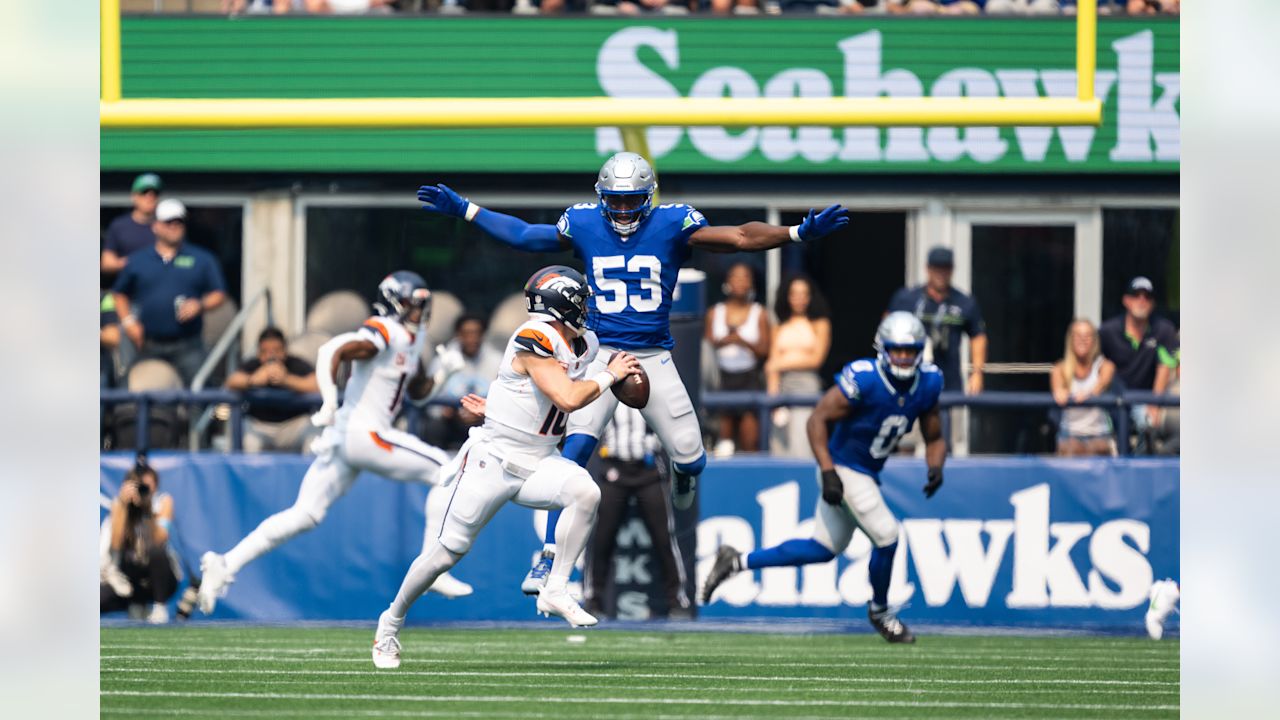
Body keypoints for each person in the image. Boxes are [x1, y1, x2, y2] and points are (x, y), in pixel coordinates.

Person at [416, 151, 849, 594]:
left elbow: (739, 236)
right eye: (616, 201)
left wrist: (796, 232)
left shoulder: (673, 222)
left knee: (691, 458)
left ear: (649, 197)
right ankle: (548, 560)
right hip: (599, 352)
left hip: (654, 356)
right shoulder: (585, 223)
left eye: (632, 200)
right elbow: (527, 235)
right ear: (601, 197)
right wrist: (466, 210)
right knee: (572, 453)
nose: (623, 210)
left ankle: (681, 470)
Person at [372, 266, 642, 669]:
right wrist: (611, 375)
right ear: (560, 305)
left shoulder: (584, 343)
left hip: (539, 461)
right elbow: (567, 397)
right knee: (445, 554)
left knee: (586, 492)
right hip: (492, 461)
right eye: (580, 300)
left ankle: (556, 588)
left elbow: (535, 392)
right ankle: (389, 625)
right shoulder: (535, 337)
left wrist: (498, 406)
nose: (587, 307)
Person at [197, 271, 473, 615]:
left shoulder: (409, 338)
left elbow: (417, 393)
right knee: (448, 472)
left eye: (422, 305)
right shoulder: (385, 330)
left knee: (305, 514)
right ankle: (432, 568)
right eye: (413, 305)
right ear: (394, 304)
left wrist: (443, 373)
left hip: (348, 440)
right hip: (365, 434)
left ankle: (226, 562)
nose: (420, 312)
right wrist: (329, 400)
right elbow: (332, 350)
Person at [701, 312, 946, 644]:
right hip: (843, 468)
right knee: (887, 535)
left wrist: (935, 466)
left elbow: (934, 434)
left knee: (822, 549)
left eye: (909, 350)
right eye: (897, 349)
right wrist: (829, 472)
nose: (903, 357)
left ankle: (736, 561)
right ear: (882, 349)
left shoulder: (929, 382)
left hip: (866, 473)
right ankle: (881, 612)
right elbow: (816, 420)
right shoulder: (865, 379)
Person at [586, 404, 692, 620]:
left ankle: (677, 600)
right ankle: (593, 600)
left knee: (664, 538)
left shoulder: (652, 389)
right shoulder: (608, 387)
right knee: (601, 539)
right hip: (614, 469)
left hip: (649, 471)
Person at [111, 198, 227, 387]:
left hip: (188, 344)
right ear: (155, 226)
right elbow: (119, 294)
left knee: (201, 391)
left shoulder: (201, 259)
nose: (174, 227)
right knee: (129, 389)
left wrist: (200, 305)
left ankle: (199, 418)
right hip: (147, 344)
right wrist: (128, 322)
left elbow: (219, 293)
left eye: (178, 222)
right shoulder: (138, 260)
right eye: (168, 222)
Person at [886, 246, 986, 395]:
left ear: (952, 270)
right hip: (909, 379)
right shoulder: (907, 298)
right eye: (936, 268)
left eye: (945, 268)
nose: (941, 274)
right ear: (927, 269)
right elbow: (886, 330)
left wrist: (977, 373)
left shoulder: (964, 302)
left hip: (947, 382)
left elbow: (978, 336)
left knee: (943, 417)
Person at [1097, 276, 1178, 454]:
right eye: (1136, 295)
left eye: (1147, 297)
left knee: (1149, 423)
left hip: (1148, 398)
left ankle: (1142, 463)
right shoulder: (1108, 331)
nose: (1142, 301)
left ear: (1153, 303)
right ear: (1126, 301)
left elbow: (1165, 365)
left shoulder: (1163, 329)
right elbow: (1097, 365)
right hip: (1114, 400)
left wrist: (1154, 403)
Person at [101, 457, 179, 623]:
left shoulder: (163, 501)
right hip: (128, 578)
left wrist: (147, 510)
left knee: (156, 552)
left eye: (147, 487)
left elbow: (159, 539)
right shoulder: (120, 505)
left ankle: (159, 607)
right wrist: (123, 505)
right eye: (138, 486)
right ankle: (135, 603)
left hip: (159, 577)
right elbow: (116, 543)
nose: (142, 491)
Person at [705, 262, 770, 454]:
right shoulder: (714, 312)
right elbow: (706, 349)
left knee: (750, 441)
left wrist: (742, 340)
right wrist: (725, 341)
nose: (740, 281)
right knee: (722, 441)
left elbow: (765, 350)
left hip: (749, 378)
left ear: (752, 283)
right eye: (736, 277)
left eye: (745, 277)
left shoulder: (760, 313)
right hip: (720, 379)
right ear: (727, 282)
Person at [225, 327, 322, 453]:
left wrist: (287, 379)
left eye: (277, 350)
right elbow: (231, 382)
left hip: (293, 425)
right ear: (259, 353)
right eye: (266, 351)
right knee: (247, 440)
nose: (272, 355)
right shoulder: (253, 365)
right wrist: (253, 380)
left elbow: (318, 384)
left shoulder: (295, 364)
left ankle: (313, 473)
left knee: (315, 438)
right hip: (260, 425)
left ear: (284, 351)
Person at [765, 274, 831, 458]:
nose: (799, 298)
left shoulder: (820, 324)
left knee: (802, 441)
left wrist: (780, 363)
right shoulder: (779, 326)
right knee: (779, 444)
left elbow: (816, 359)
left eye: (804, 294)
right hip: (782, 388)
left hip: (807, 387)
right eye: (794, 294)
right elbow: (772, 367)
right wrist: (773, 402)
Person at [424, 314, 502, 449]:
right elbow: (428, 401)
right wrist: (443, 412)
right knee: (433, 428)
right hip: (450, 422)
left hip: (484, 421)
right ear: (458, 335)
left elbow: (504, 400)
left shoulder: (499, 361)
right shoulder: (442, 360)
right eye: (467, 333)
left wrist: (484, 414)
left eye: (476, 333)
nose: (472, 338)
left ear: (483, 335)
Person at [1051, 319, 1117, 457]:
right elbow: (1057, 389)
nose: (1083, 340)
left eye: (1087, 336)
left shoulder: (1104, 366)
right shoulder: (1060, 368)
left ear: (1094, 340)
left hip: (1099, 434)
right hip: (1070, 434)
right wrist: (1060, 392)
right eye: (1078, 336)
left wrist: (1089, 393)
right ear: (1070, 339)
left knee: (1097, 448)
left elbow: (1103, 382)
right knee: (1072, 449)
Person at [101, 173, 161, 277]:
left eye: (154, 193)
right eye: (144, 192)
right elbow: (106, 263)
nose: (149, 197)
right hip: (127, 287)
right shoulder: (120, 226)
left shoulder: (166, 226)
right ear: (134, 196)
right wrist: (133, 263)